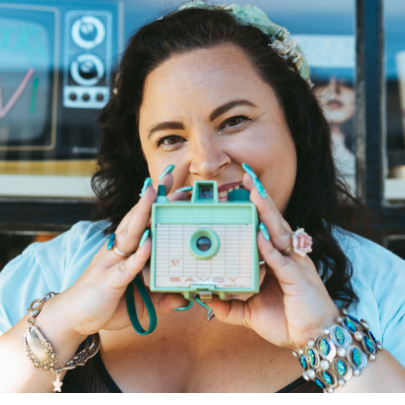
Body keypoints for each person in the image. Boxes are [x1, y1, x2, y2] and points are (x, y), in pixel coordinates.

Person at [1, 2, 405, 393]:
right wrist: (65, 323)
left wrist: (325, 333)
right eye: (170, 139)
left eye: (235, 120)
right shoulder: (54, 269)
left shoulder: (387, 290)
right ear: (144, 161)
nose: (207, 163)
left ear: (296, 127)